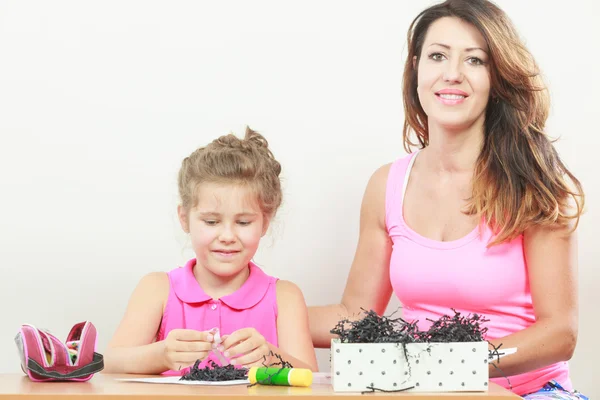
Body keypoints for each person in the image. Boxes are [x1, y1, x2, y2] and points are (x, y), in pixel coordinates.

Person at [308, 1, 586, 398]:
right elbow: (353, 317)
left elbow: (561, 333)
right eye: (438, 56)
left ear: (496, 77)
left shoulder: (534, 184)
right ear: (417, 68)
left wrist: (451, 363)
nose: (452, 74)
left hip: (530, 393)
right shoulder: (387, 185)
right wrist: (257, 314)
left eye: (474, 60)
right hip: (428, 391)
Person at [104, 127, 318, 375]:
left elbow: (312, 380)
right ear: (184, 218)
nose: (227, 236)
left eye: (243, 222)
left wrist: (271, 357)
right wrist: (161, 355)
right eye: (211, 222)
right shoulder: (157, 289)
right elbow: (109, 364)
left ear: (265, 223)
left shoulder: (285, 297)